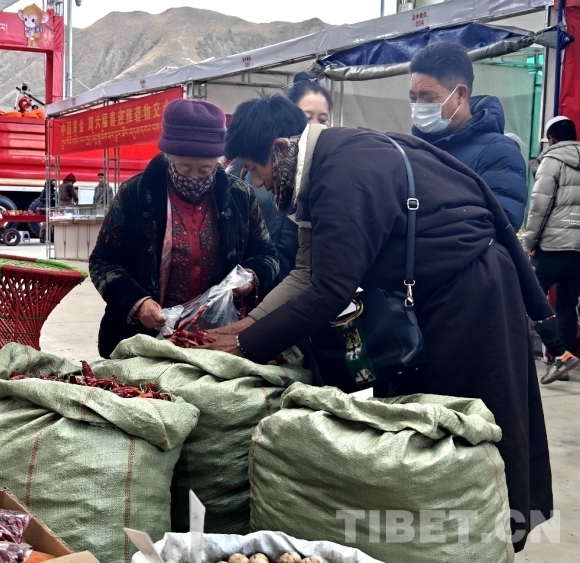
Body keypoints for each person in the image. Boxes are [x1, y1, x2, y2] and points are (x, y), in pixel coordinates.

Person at [205, 94, 552, 551]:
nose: (256, 182)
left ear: (280, 149)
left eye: (254, 169)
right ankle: (427, 539)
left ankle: (486, 538)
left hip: (471, 293)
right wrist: (245, 327)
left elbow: (329, 291)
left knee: (464, 424)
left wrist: (245, 346)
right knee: (417, 425)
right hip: (432, 293)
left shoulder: (344, 172)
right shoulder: (318, 167)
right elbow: (306, 273)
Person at [89, 98, 278, 358]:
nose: (194, 177)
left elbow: (267, 255)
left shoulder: (240, 196)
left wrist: (250, 277)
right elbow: (103, 262)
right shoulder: (135, 195)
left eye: (205, 168)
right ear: (168, 159)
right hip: (146, 336)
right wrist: (138, 302)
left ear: (219, 163)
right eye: (185, 167)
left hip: (217, 336)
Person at [227, 72, 333, 290]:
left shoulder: (325, 178)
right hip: (259, 284)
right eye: (307, 118)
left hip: (300, 289)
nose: (314, 127)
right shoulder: (246, 164)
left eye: (322, 120)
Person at [409, 41, 528, 231]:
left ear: (460, 94)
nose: (418, 106)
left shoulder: (498, 153)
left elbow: (499, 227)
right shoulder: (413, 147)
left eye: (428, 97)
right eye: (413, 98)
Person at [523, 116, 580, 383]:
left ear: (552, 139)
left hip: (553, 247)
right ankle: (563, 364)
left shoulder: (552, 160)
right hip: (578, 251)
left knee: (529, 297)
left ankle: (559, 354)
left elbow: (540, 205)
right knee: (567, 307)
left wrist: (530, 241)